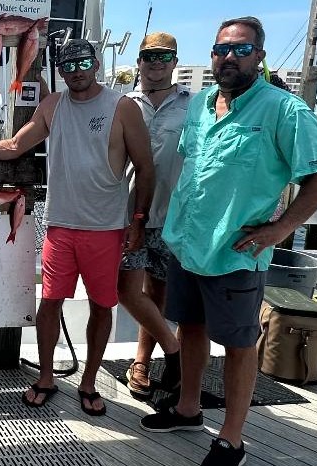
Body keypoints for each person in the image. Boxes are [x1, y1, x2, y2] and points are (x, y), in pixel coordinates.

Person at [140, 16, 317, 466]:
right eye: (220, 49)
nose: (228, 57)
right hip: (187, 242)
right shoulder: (198, 105)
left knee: (237, 344)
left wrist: (283, 227)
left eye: (240, 49)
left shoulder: (282, 109)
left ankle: (232, 436)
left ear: (259, 56)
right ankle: (188, 407)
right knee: (190, 326)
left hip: (236, 250)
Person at [0, 38, 155, 417]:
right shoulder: (53, 105)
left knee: (102, 306)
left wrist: (138, 220)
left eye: (83, 63)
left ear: (96, 64)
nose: (76, 71)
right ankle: (45, 377)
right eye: (68, 65)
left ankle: (88, 382)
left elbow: (145, 167)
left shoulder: (122, 107)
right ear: (60, 71)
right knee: (50, 302)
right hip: (59, 225)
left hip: (106, 229)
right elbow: (14, 146)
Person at [118, 32, 189, 399]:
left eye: (164, 56)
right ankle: (173, 348)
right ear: (139, 62)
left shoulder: (196, 104)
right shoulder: (122, 103)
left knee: (156, 291)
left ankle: (142, 361)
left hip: (174, 215)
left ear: (175, 62)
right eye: (149, 56)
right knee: (128, 291)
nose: (156, 63)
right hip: (129, 214)